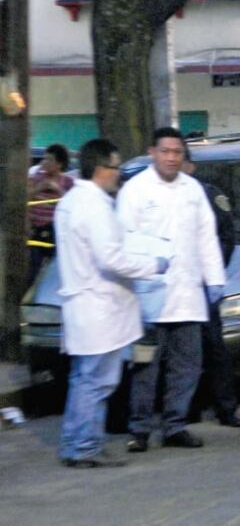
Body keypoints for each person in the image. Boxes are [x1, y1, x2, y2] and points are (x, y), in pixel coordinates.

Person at [54, 139, 168, 468]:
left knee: (83, 379)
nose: (119, 174)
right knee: (98, 381)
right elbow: (112, 259)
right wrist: (153, 266)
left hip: (84, 305)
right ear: (102, 168)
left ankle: (74, 443)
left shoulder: (71, 201)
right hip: (100, 307)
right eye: (116, 167)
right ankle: (85, 447)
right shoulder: (95, 206)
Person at [117, 127, 226, 451]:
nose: (170, 158)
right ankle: (139, 429)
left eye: (177, 152)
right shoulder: (135, 190)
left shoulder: (193, 190)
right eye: (165, 151)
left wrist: (215, 279)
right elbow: (123, 240)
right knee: (145, 366)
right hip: (148, 297)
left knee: (187, 365)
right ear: (153, 152)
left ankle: (175, 425)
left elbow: (207, 238)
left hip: (188, 295)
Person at [181, 146, 240, 428]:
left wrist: (212, 274)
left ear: (190, 167)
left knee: (214, 348)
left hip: (204, 286)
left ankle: (225, 408)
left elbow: (226, 238)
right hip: (176, 288)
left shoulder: (208, 195)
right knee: (183, 353)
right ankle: (188, 407)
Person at [27, 144, 75, 285]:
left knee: (57, 266)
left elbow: (72, 205)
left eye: (49, 160)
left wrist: (58, 191)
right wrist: (38, 189)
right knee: (33, 267)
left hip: (55, 231)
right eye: (44, 159)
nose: (44, 162)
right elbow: (24, 200)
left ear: (59, 164)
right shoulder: (35, 178)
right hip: (36, 230)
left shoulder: (67, 182)